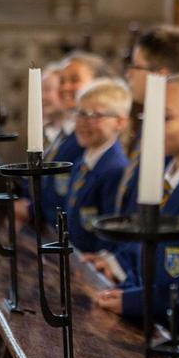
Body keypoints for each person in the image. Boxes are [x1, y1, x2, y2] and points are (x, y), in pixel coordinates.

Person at [95, 74, 179, 322]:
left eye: (166, 118)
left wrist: (137, 301)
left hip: (174, 327)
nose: (153, 128)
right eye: (150, 117)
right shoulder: (158, 174)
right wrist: (116, 266)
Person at [16, 51, 112, 229]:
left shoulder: (90, 136)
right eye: (62, 81)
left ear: (98, 85)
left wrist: (31, 211)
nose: (65, 87)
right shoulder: (66, 134)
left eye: (74, 80)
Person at [118, 25, 179, 214]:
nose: (128, 73)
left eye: (136, 66)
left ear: (160, 76)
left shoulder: (172, 135)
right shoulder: (147, 122)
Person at [64, 79, 130, 253]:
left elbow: (112, 230)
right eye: (81, 113)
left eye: (96, 115)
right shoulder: (81, 162)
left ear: (120, 122)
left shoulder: (115, 169)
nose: (84, 122)